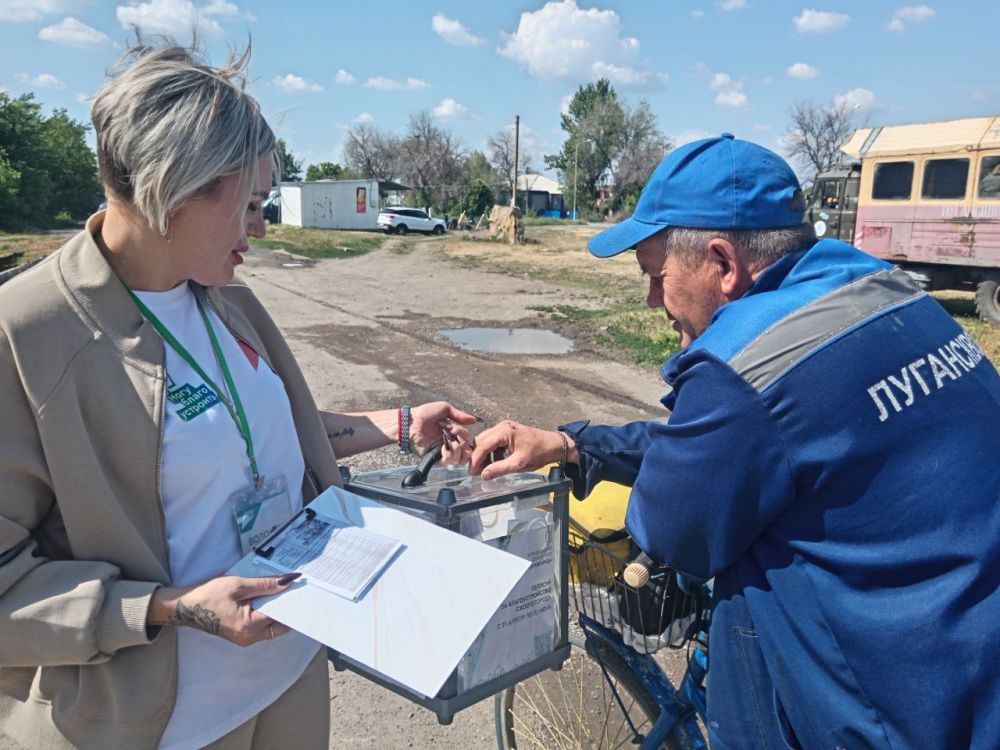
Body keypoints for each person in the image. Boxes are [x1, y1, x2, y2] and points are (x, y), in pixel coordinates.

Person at [0, 38, 474, 750]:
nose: (261, 226)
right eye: (250, 203)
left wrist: (400, 422)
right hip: (160, 728)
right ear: (170, 189)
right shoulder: (30, 335)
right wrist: (169, 610)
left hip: (289, 683)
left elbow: (257, 432)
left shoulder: (227, 299)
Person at [469, 134, 1000, 749]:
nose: (651, 300)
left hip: (888, 716)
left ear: (722, 263)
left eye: (655, 276)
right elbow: (752, 443)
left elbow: (675, 529)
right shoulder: (892, 294)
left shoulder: (746, 366)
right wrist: (569, 444)